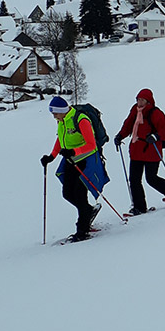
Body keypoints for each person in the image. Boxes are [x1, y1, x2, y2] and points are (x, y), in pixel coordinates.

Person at [40, 95, 106, 241]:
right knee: (68, 193)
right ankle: (88, 211)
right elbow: (60, 139)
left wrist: (74, 151)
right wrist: (51, 156)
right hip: (70, 161)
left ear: (62, 110)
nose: (54, 116)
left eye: (55, 113)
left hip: (85, 162)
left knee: (80, 194)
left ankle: (82, 231)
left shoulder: (81, 119)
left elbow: (91, 145)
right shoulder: (62, 120)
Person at [114, 88, 165, 213]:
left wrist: (156, 136)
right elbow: (128, 125)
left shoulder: (155, 113)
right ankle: (139, 207)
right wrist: (120, 136)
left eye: (142, 100)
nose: (139, 102)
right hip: (136, 150)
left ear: (149, 101)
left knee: (151, 178)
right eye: (138, 99)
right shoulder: (135, 110)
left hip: (151, 151)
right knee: (134, 179)